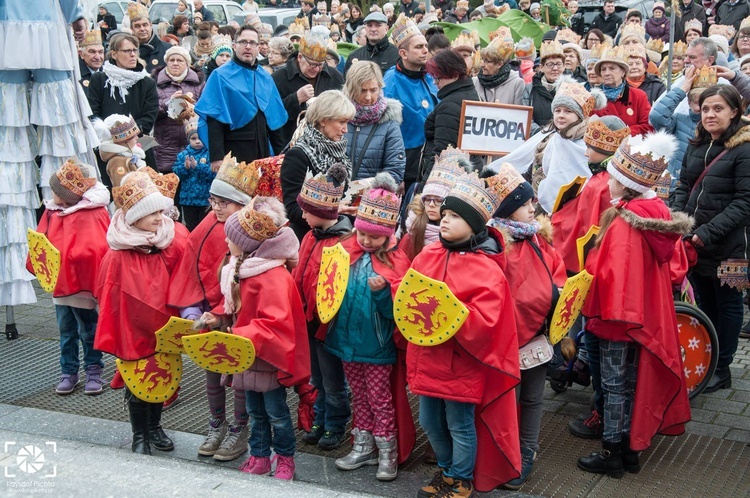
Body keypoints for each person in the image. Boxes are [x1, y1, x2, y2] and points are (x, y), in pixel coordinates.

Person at [577, 131, 692, 477]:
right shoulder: (654, 213)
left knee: (613, 385)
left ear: (625, 185)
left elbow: (612, 274)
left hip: (619, 318)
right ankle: (629, 451)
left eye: (613, 177)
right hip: (645, 317)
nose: (608, 182)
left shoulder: (626, 222)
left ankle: (612, 451)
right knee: (630, 383)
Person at [407, 172, 521, 496]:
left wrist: (450, 311)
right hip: (429, 359)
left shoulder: (487, 269)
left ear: (474, 224)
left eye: (455, 216)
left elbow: (487, 322)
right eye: (444, 214)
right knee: (429, 421)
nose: (444, 221)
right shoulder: (427, 255)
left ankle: (460, 478)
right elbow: (409, 299)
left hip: (462, 362)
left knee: (459, 425)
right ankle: (446, 471)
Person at [200, 198, 309, 480]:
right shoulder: (241, 267)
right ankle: (259, 456)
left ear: (248, 243)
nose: (225, 239)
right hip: (246, 356)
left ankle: (285, 459)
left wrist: (237, 334)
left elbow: (275, 324)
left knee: (276, 414)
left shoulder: (271, 276)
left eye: (231, 237)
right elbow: (233, 309)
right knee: (255, 412)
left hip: (267, 358)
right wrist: (218, 318)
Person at [168, 155, 262, 461]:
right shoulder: (208, 224)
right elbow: (190, 268)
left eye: (225, 202)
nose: (216, 207)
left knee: (237, 375)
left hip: (237, 316)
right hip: (208, 315)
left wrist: (226, 310)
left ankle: (239, 428)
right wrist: (191, 308)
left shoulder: (252, 231)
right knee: (212, 371)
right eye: (213, 200)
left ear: (243, 205)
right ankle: (216, 424)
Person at [94, 171, 188, 455]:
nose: (160, 218)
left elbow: (185, 280)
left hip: (163, 326)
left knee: (161, 377)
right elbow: (108, 294)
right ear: (134, 217)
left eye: (160, 211)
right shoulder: (118, 253)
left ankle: (155, 427)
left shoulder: (168, 240)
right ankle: (139, 433)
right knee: (137, 381)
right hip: (131, 328)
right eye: (152, 213)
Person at [548, 115, 630, 440]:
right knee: (588, 335)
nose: (585, 150)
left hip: (595, 271)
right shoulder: (599, 179)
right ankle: (584, 368)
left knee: (599, 349)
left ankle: (601, 412)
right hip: (592, 267)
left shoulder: (603, 185)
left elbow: (590, 231)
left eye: (591, 145)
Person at [485, 163, 566, 489]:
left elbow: (555, 274)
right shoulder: (495, 246)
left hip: (537, 338)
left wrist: (558, 297)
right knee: (506, 398)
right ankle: (503, 453)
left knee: (533, 398)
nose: (534, 207)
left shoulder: (538, 240)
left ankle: (527, 451)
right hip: (506, 341)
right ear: (507, 208)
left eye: (532, 201)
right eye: (525, 203)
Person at [327, 175, 412, 482]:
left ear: (388, 236)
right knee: (358, 396)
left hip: (377, 346)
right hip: (347, 341)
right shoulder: (345, 254)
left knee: (379, 398)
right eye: (361, 233)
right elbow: (330, 291)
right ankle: (362, 445)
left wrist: (381, 294)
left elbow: (399, 313)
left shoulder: (394, 262)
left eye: (374, 237)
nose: (365, 241)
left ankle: (387, 451)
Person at [673, 84, 750, 393]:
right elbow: (683, 185)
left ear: (734, 111)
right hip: (696, 242)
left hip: (734, 248)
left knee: (729, 304)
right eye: (705, 109)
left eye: (718, 108)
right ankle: (705, 359)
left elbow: (745, 202)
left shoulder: (744, 149)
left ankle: (722, 367)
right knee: (704, 300)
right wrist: (678, 221)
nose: (710, 114)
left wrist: (705, 232)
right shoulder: (696, 143)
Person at [29, 160, 110, 395]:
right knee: (66, 329)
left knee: (89, 328)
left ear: (67, 194)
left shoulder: (92, 213)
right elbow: (41, 242)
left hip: (83, 287)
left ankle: (94, 370)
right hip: (60, 284)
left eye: (55, 190)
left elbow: (98, 247)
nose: (51, 193)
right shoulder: (52, 212)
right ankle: (69, 372)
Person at [292, 165, 354, 451]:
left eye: (307, 210)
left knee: (332, 379)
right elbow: (300, 275)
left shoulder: (343, 242)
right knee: (316, 376)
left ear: (323, 211)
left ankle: (336, 424)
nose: (302, 216)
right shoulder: (309, 237)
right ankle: (319, 419)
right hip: (307, 320)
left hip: (328, 324)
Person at [195, 26, 288, 171]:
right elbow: (214, 119)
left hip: (262, 149)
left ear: (258, 47)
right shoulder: (220, 75)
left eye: (252, 43)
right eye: (243, 42)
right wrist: (217, 157)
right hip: (233, 151)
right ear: (234, 46)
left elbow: (274, 121)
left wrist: (281, 156)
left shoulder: (265, 77)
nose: (248, 46)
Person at [281, 90, 356, 240]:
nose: (345, 129)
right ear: (323, 120)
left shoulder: (339, 150)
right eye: (341, 122)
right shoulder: (298, 155)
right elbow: (292, 209)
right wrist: (330, 210)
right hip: (308, 238)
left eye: (347, 122)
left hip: (338, 233)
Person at [87, 33, 159, 179]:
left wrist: (128, 134)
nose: (133, 55)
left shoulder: (146, 82)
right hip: (106, 147)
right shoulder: (100, 79)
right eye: (127, 51)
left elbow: (150, 114)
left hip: (136, 145)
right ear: (114, 54)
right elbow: (92, 112)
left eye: (135, 50)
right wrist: (109, 134)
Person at [384, 15, 438, 194]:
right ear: (403, 53)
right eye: (419, 47)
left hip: (433, 157)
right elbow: (387, 131)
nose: (425, 50)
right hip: (407, 161)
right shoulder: (391, 82)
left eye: (425, 46)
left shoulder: (430, 75)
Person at [273, 31, 345, 148]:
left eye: (320, 65)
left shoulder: (334, 77)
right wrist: (295, 99)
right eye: (312, 64)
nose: (316, 69)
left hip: (328, 145)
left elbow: (344, 111)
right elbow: (273, 115)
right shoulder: (279, 78)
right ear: (300, 57)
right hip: (292, 145)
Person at [421, 49, 482, 180]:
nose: (435, 82)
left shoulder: (449, 105)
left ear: (454, 74)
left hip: (448, 179)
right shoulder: (471, 94)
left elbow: (440, 154)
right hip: (471, 173)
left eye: (438, 77)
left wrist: (422, 190)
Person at [399, 148, 469, 261]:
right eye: (427, 199)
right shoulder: (413, 231)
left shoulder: (462, 236)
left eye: (439, 200)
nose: (431, 205)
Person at [343, 61, 405, 184]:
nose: (368, 97)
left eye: (373, 90)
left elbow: (395, 168)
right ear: (351, 89)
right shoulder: (337, 115)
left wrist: (367, 191)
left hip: (370, 199)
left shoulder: (389, 122)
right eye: (362, 90)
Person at [649, 65, 705, 197]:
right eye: (698, 103)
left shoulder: (720, 127)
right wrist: (681, 90)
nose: (703, 109)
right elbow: (657, 116)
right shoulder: (679, 121)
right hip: (676, 188)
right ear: (689, 103)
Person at [154, 46, 205, 173]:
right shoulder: (155, 83)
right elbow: (151, 111)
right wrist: (168, 103)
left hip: (194, 144)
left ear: (187, 63)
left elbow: (206, 109)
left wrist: (191, 106)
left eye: (179, 60)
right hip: (165, 147)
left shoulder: (199, 83)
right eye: (172, 60)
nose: (175, 63)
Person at [592, 45, 653, 136]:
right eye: (603, 69)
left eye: (612, 68)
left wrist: (623, 133)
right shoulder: (593, 98)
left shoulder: (638, 96)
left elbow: (647, 126)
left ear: (623, 72)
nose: (607, 73)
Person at [172, 119, 212, 230]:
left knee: (205, 228)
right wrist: (185, 168)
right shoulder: (183, 155)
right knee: (191, 227)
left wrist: (198, 167)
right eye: (193, 138)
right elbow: (176, 174)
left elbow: (213, 174)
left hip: (205, 199)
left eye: (200, 138)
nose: (197, 141)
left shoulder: (210, 154)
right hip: (188, 199)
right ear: (188, 139)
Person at [523, 40, 566, 135]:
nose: (555, 68)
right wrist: (542, 133)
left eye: (558, 64)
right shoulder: (530, 89)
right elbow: (526, 117)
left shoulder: (570, 89)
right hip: (537, 140)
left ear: (564, 66)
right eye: (550, 64)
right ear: (541, 67)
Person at [474, 28, 524, 105]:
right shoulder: (475, 82)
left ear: (499, 64)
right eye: (483, 60)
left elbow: (518, 113)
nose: (482, 65)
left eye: (487, 61)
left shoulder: (517, 84)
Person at [127, 3, 170, 74]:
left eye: (145, 25)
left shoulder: (167, 49)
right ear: (131, 29)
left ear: (151, 25)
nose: (142, 29)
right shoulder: (127, 51)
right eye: (137, 26)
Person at [78, 29, 104, 97]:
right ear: (81, 54)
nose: (97, 57)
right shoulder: (76, 75)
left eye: (100, 52)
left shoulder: (109, 73)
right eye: (92, 52)